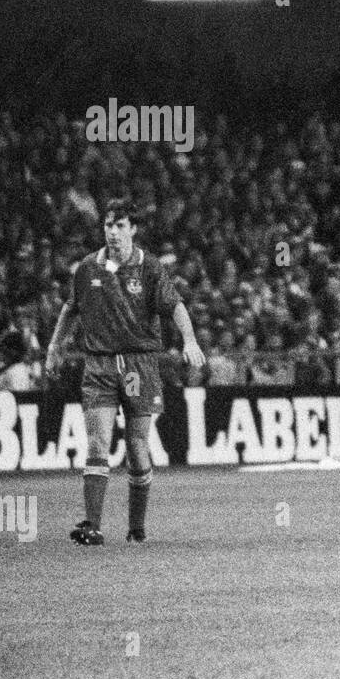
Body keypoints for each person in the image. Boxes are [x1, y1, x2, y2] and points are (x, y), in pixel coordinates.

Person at [45, 199, 205, 546]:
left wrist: (190, 340)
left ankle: (136, 527)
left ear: (133, 229)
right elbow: (70, 310)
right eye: (108, 226)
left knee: (136, 445)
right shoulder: (88, 267)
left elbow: (175, 305)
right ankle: (92, 524)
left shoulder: (149, 267)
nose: (113, 232)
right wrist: (54, 347)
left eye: (120, 226)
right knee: (98, 441)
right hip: (99, 363)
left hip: (139, 364)